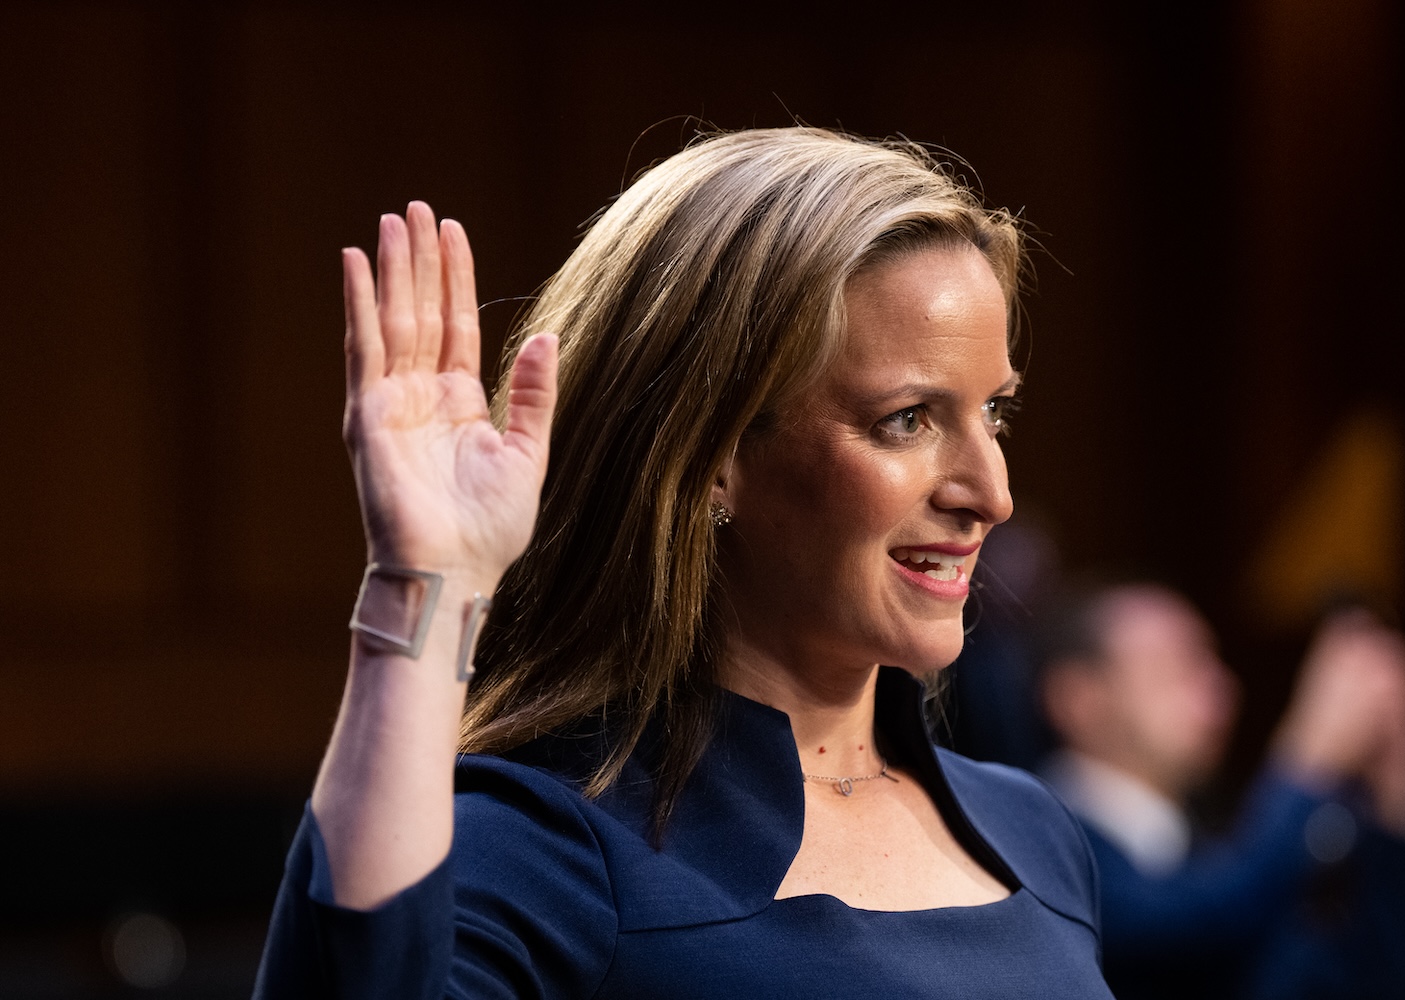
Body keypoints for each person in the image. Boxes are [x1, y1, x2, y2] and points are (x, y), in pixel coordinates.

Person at [253, 128, 1116, 998]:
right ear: (714, 455)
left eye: (994, 412)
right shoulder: (543, 851)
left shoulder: (1031, 828)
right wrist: (423, 578)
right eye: (907, 420)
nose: (990, 493)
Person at [1033, 582, 1405, 999]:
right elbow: (1198, 925)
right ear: (1079, 699)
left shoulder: (1210, 844)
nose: (1223, 689)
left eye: (1213, 664)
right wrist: (1308, 763)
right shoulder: (1037, 840)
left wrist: (1400, 808)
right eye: (1180, 667)